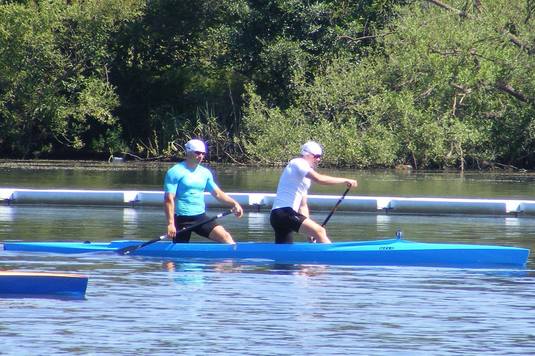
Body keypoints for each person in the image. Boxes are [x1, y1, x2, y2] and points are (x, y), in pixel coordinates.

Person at [270, 141, 357, 244]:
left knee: (283, 253)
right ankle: (334, 257)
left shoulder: (304, 178)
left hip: (279, 216)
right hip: (284, 212)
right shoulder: (298, 162)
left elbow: (303, 206)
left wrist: (309, 234)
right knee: (320, 231)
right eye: (316, 156)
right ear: (307, 154)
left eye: (320, 156)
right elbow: (319, 179)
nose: (318, 159)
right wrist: (344, 180)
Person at [164, 139, 243, 244]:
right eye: (197, 153)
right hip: (181, 219)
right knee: (178, 256)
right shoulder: (175, 172)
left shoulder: (205, 173)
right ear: (188, 152)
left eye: (203, 153)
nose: (200, 156)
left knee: (226, 237)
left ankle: (230, 259)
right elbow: (169, 199)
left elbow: (218, 194)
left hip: (200, 217)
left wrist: (234, 203)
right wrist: (170, 224)